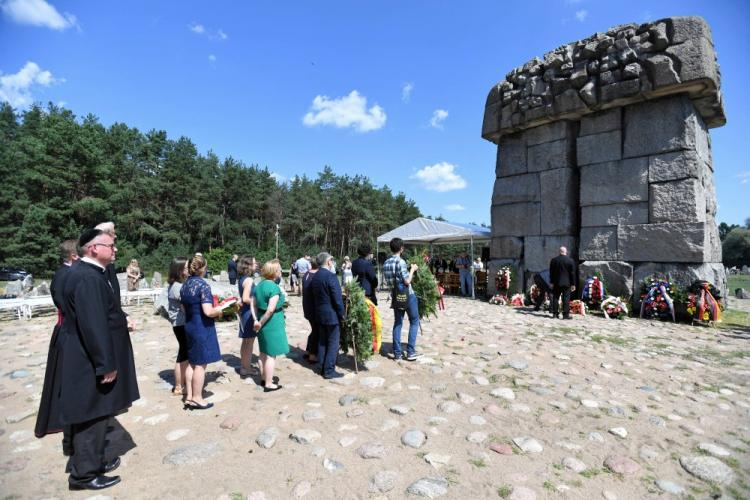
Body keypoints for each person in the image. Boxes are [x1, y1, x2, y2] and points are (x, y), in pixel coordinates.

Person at [36, 228, 139, 491]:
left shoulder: (84, 273)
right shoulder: (88, 278)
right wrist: (106, 364)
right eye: (110, 245)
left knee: (93, 413)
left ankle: (91, 461)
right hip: (89, 359)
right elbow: (93, 325)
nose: (115, 249)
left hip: (84, 354)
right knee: (92, 415)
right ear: (93, 248)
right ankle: (84, 474)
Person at [35, 239, 81, 454]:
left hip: (64, 329)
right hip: (67, 332)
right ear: (73, 256)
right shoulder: (66, 275)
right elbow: (66, 305)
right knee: (67, 383)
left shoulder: (63, 273)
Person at [180, 254, 224, 409]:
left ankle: (189, 396)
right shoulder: (204, 286)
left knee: (192, 363)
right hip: (202, 327)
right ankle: (198, 397)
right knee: (200, 364)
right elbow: (208, 311)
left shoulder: (184, 285)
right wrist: (219, 310)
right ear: (203, 268)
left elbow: (183, 309)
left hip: (190, 325)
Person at [383, 237, 422, 361]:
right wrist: (413, 270)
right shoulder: (401, 262)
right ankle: (410, 352)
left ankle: (397, 353)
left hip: (395, 296)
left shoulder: (386, 263)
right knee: (414, 321)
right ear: (401, 248)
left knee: (398, 323)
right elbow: (407, 281)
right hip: (408, 295)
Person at [253, 260, 289, 392]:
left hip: (260, 321)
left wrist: (256, 321)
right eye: (279, 269)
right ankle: (268, 383)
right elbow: (270, 310)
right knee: (271, 355)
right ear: (274, 272)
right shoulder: (274, 287)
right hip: (271, 322)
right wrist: (261, 323)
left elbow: (254, 304)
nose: (280, 271)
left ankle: (263, 378)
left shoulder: (259, 285)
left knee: (263, 352)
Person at [310, 252, 347, 379]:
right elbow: (337, 299)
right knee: (333, 343)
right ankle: (329, 370)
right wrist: (342, 314)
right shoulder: (331, 276)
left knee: (322, 341)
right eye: (332, 260)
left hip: (319, 314)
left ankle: (321, 366)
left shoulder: (315, 276)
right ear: (329, 262)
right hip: (331, 315)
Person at [167, 257, 191, 400]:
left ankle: (180, 384)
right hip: (181, 323)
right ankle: (179, 385)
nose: (189, 269)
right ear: (180, 270)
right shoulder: (178, 287)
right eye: (187, 267)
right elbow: (186, 308)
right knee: (183, 354)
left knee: (183, 352)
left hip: (179, 323)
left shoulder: (176, 285)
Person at [237, 255, 259, 376]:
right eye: (254, 263)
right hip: (249, 313)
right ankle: (246, 368)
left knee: (245, 342)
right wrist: (259, 302)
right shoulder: (249, 280)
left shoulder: (242, 279)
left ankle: (244, 366)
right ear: (248, 265)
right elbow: (245, 298)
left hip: (245, 312)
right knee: (249, 342)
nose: (256, 265)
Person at [549, 246, 577, 319]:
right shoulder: (570, 261)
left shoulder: (554, 260)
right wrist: (573, 284)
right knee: (566, 298)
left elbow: (551, 272)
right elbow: (572, 273)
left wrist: (551, 282)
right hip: (567, 283)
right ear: (566, 252)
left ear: (559, 252)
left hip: (556, 282)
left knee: (555, 297)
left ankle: (555, 314)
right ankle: (565, 315)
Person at [302, 258, 320, 363]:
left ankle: (309, 351)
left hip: (307, 306)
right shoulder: (316, 276)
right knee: (316, 331)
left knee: (314, 330)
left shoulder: (306, 274)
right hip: (313, 307)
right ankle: (312, 355)